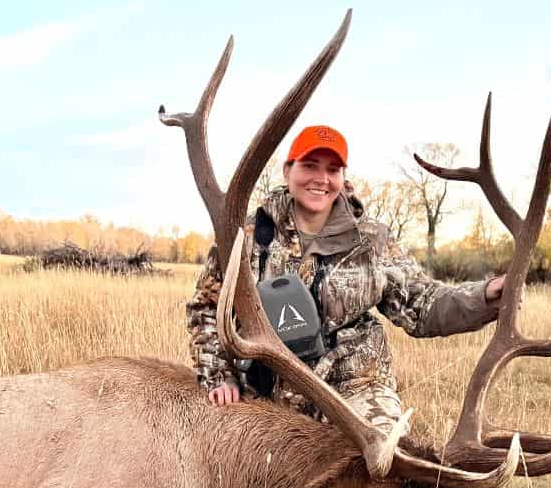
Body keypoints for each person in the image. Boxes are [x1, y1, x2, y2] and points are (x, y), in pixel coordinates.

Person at [186, 124, 507, 432]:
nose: (321, 179)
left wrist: (484, 295)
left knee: (386, 464)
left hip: (355, 391)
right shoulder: (244, 236)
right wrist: (217, 375)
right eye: (310, 165)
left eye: (333, 169)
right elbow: (205, 309)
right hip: (264, 394)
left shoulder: (372, 240)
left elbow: (422, 305)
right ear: (287, 171)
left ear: (343, 176)